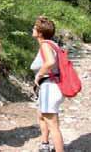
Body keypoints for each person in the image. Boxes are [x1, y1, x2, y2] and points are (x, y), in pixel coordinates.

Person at [31, 16, 64, 152]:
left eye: (34, 27)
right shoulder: (53, 44)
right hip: (53, 86)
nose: (32, 29)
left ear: (40, 32)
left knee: (53, 125)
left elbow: (49, 62)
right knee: (41, 114)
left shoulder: (45, 45)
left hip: (49, 87)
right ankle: (44, 144)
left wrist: (38, 76)